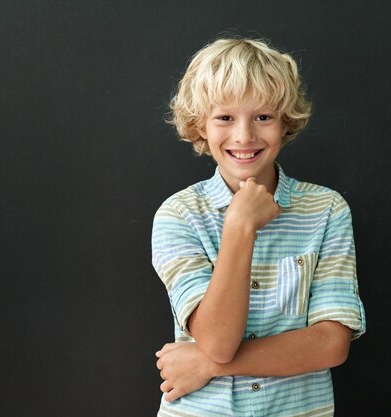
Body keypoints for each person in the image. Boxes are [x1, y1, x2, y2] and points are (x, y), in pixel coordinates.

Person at [152, 37, 366, 417]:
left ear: (285, 122)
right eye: (225, 117)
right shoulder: (178, 214)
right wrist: (239, 225)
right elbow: (217, 341)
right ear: (200, 125)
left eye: (263, 117)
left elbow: (331, 344)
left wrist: (208, 365)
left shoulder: (327, 209)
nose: (245, 136)